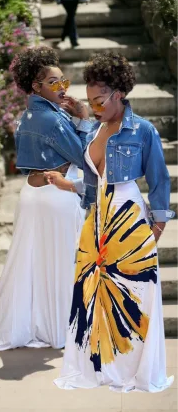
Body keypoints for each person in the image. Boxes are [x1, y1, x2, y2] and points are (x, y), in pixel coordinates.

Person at [45, 52, 175, 391]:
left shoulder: (143, 131)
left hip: (130, 220)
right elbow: (92, 185)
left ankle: (136, 370)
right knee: (93, 296)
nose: (95, 107)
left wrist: (157, 230)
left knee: (134, 298)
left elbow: (160, 183)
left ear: (118, 93)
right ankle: (103, 367)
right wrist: (68, 186)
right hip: (96, 223)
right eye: (91, 101)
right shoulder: (94, 130)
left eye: (100, 100)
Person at [0, 46, 92, 351]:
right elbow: (85, 156)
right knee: (65, 263)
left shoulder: (26, 117)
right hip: (56, 196)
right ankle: (64, 328)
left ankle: (43, 323)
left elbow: (27, 163)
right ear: (36, 86)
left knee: (35, 264)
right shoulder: (53, 120)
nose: (63, 88)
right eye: (55, 82)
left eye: (64, 82)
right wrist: (84, 119)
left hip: (33, 194)